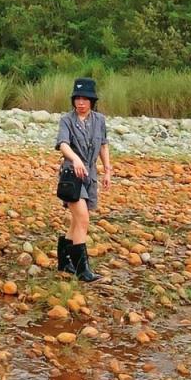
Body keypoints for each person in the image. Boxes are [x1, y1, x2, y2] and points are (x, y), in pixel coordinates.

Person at [55, 77, 112, 282]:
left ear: (92, 101)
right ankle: (82, 270)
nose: (81, 103)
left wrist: (107, 170)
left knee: (76, 220)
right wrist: (75, 159)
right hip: (72, 176)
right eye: (77, 99)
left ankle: (64, 262)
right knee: (83, 220)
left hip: (91, 175)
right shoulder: (66, 120)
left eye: (85, 99)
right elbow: (62, 144)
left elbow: (103, 145)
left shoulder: (99, 120)